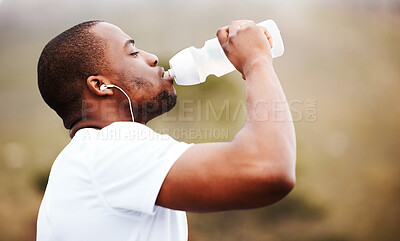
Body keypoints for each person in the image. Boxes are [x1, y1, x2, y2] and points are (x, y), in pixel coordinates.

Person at [36, 19, 296, 241]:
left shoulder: (87, 157)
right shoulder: (109, 149)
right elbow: (268, 167)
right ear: (100, 86)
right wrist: (257, 62)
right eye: (133, 53)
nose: (153, 58)